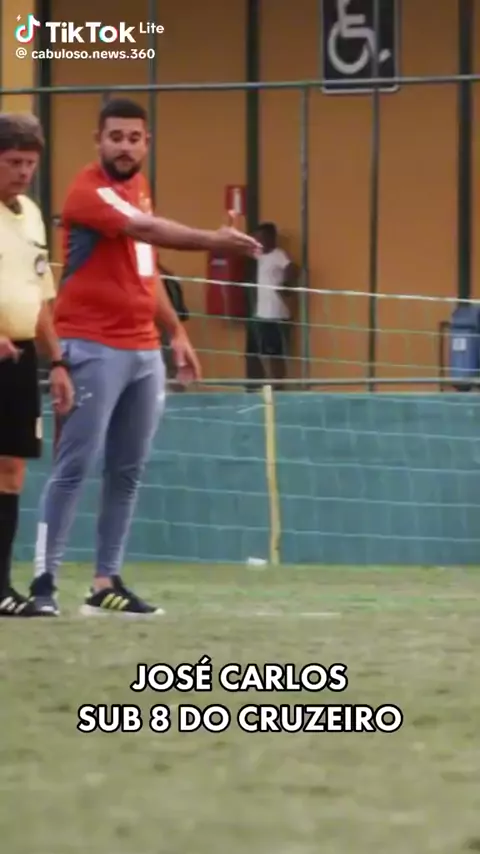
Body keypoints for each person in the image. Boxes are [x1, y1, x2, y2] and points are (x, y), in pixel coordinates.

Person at [28, 98, 261, 618]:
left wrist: (176, 332)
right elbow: (149, 232)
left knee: (127, 470)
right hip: (91, 345)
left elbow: (145, 269)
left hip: (143, 351)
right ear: (98, 140)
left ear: (147, 143)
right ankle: (44, 582)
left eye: (134, 138)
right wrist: (214, 240)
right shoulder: (88, 192)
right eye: (116, 137)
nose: (125, 147)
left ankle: (105, 582)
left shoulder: (139, 190)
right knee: (74, 466)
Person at [0, 113, 74, 617]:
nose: (23, 172)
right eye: (13, 162)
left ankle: (1, 588)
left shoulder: (30, 214)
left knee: (11, 470)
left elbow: (40, 294)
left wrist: (59, 360)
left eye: (29, 163)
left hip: (20, 356)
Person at [246, 222, 297, 390]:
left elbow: (292, 268)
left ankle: (278, 387)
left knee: (276, 354)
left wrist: (286, 285)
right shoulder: (261, 255)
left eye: (261, 238)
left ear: (271, 238)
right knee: (260, 353)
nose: (258, 241)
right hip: (261, 314)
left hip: (276, 314)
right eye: (257, 238)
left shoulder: (278, 254)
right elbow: (243, 250)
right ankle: (264, 385)